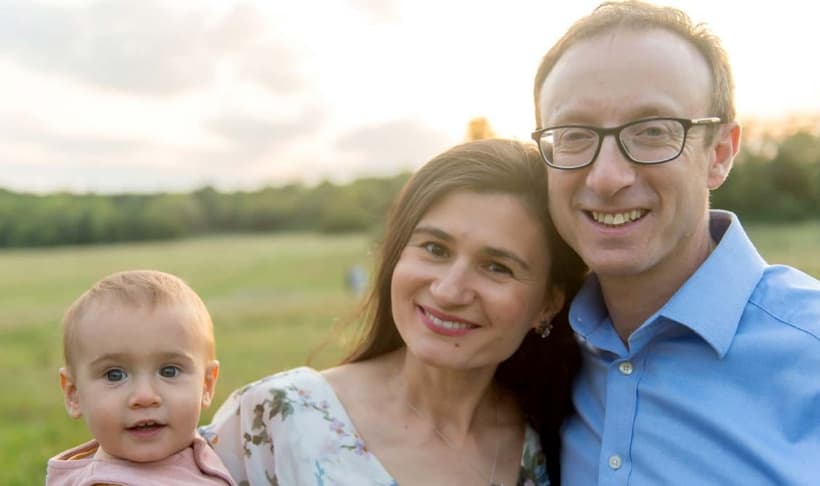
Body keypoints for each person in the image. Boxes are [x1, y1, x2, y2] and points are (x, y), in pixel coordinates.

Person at [530, 1, 820, 484]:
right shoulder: (532, 344)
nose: (606, 177)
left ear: (720, 154)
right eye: (575, 135)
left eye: (652, 131)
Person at [202, 139, 587, 485]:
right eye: (435, 249)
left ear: (547, 304)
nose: (448, 290)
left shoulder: (555, 442)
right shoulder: (274, 419)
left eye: (497, 267)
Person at [47, 270, 235, 485]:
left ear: (206, 384)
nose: (145, 396)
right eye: (114, 375)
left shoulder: (199, 453)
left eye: (169, 371)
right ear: (74, 394)